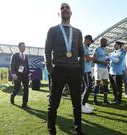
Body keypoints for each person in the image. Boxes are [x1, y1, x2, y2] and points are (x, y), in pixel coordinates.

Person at [45, 3, 84, 135]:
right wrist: (51, 70)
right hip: (59, 70)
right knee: (54, 103)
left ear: (71, 13)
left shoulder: (78, 32)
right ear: (59, 13)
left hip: (75, 70)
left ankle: (78, 130)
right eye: (62, 8)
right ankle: (52, 130)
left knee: (77, 103)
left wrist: (81, 69)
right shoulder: (52, 30)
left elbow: (81, 52)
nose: (65, 9)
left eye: (67, 7)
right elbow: (47, 51)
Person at [10, 42, 30, 109]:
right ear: (19, 47)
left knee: (26, 89)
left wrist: (28, 73)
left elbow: (27, 65)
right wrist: (13, 74)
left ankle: (24, 104)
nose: (24, 48)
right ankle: (12, 96)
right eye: (22, 46)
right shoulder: (15, 55)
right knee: (17, 88)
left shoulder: (25, 56)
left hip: (25, 75)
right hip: (17, 75)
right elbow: (12, 65)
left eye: (24, 46)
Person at [92, 37, 109, 105]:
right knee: (97, 83)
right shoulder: (97, 49)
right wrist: (102, 62)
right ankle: (95, 100)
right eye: (105, 42)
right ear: (101, 42)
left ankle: (105, 100)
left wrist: (106, 61)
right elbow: (93, 60)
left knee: (106, 83)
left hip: (105, 68)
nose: (106, 43)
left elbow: (102, 59)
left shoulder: (103, 50)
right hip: (99, 68)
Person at [81, 35, 94, 113]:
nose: (91, 43)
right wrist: (93, 58)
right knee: (88, 87)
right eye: (90, 41)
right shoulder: (83, 47)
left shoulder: (86, 47)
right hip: (85, 70)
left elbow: (87, 58)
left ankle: (84, 103)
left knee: (87, 87)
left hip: (87, 70)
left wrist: (90, 58)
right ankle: (82, 105)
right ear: (86, 39)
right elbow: (86, 58)